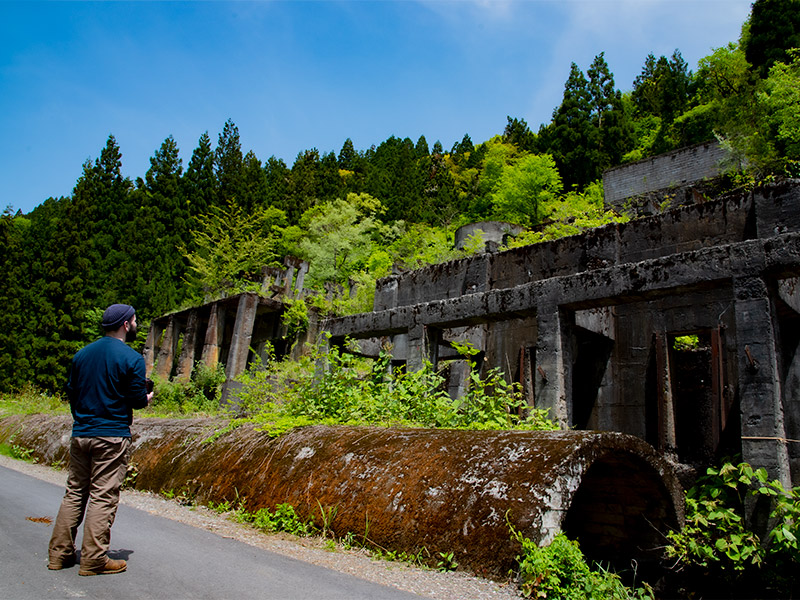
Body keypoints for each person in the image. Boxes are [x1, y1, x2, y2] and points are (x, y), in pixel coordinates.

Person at [47, 303, 153, 576]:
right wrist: (147, 398)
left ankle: (59, 555)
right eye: (135, 319)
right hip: (112, 435)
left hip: (81, 433)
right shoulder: (131, 358)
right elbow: (137, 401)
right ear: (126, 324)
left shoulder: (81, 355)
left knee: (74, 493)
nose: (135, 323)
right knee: (103, 496)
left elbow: (72, 393)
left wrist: (83, 419)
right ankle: (94, 559)